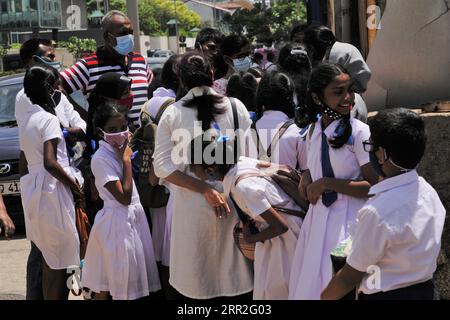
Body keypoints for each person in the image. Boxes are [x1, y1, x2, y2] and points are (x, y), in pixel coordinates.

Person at [153, 52, 254, 299]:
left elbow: (162, 167)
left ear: (181, 79)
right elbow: (251, 157)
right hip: (234, 203)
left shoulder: (173, 113)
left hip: (191, 209)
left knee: (197, 283)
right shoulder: (236, 106)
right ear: (212, 74)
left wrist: (204, 190)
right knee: (236, 283)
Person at [321, 108, 446, 300]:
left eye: (371, 147)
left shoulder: (377, 211)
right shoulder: (429, 193)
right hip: (426, 292)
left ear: (381, 154)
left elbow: (349, 277)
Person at [288, 63, 379, 300]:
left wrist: (328, 183)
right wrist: (308, 176)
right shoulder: (313, 130)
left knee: (338, 286)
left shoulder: (360, 133)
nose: (348, 98)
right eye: (338, 92)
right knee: (312, 286)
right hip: (317, 223)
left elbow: (375, 186)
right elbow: (313, 163)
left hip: (348, 224)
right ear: (318, 98)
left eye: (349, 90)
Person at [188, 137, 303, 299]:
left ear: (211, 168)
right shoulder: (240, 164)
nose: (191, 170)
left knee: (278, 291)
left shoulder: (243, 187)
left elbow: (280, 226)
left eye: (193, 165)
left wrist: (251, 238)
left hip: (288, 240)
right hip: (280, 236)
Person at [15, 39, 86, 300]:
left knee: (54, 256)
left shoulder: (44, 112)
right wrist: (74, 186)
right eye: (53, 84)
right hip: (53, 189)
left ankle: (67, 291)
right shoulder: (43, 116)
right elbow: (49, 161)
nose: (58, 88)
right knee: (59, 256)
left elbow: (79, 124)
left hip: (45, 188)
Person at [81, 102, 161, 300]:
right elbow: (124, 198)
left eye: (123, 127)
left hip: (133, 221)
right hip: (117, 226)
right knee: (119, 284)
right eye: (112, 129)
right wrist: (126, 161)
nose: (120, 133)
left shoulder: (121, 150)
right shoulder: (101, 158)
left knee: (130, 282)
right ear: (101, 132)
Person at [60, 10, 152, 127]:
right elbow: (57, 86)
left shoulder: (140, 61)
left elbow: (150, 93)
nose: (129, 37)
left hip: (141, 141)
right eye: (123, 33)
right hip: (108, 141)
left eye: (131, 32)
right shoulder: (89, 65)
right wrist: (85, 117)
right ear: (107, 37)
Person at [253, 72, 307, 170]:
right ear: (290, 97)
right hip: (288, 185)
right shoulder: (298, 133)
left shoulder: (249, 130)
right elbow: (306, 172)